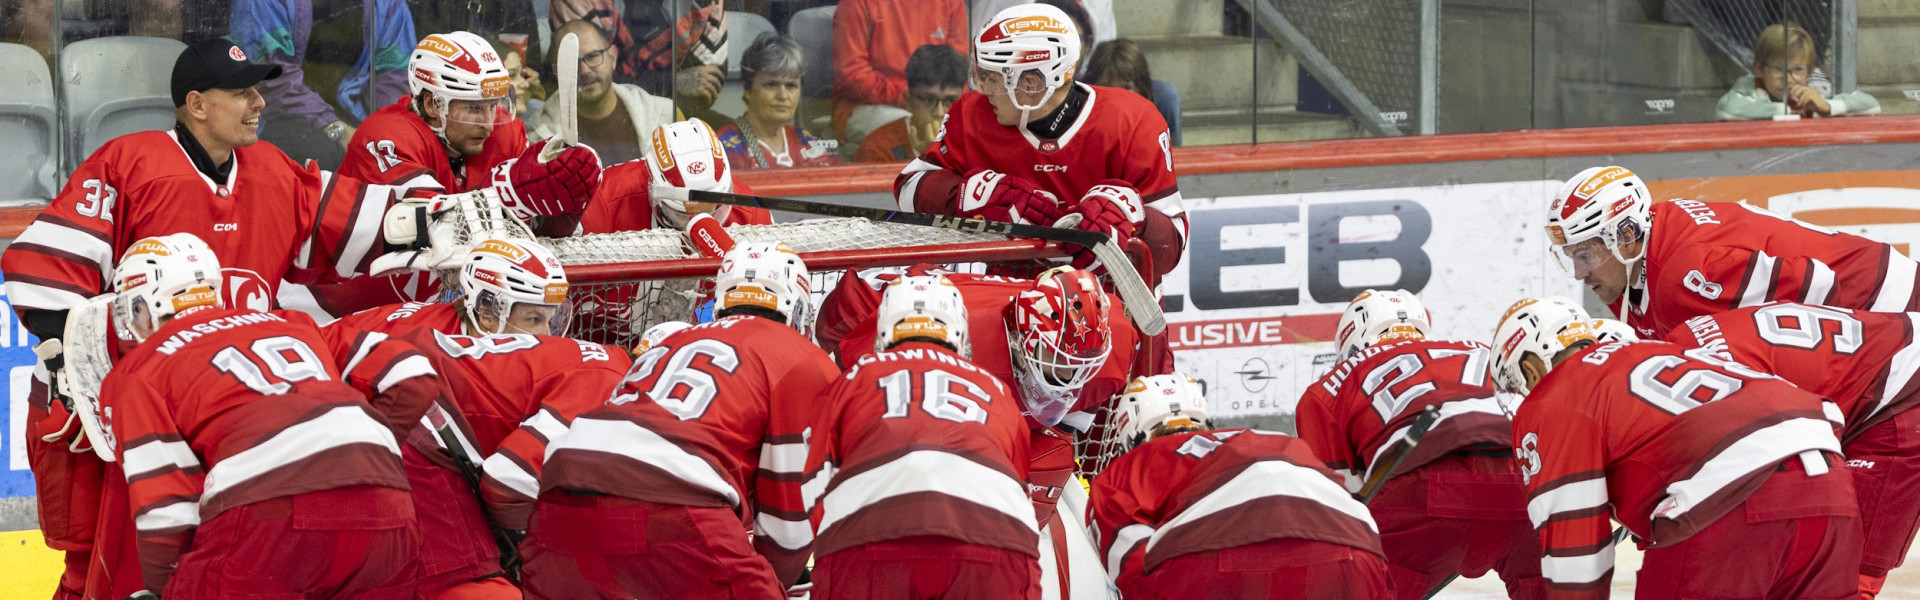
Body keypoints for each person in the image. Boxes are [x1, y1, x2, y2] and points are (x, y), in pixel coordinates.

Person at [0, 39, 427, 599]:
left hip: (224, 414)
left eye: (257, 91)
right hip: (129, 405)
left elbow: (373, 226)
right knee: (96, 567)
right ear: (197, 105)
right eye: (242, 92)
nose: (259, 103)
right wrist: (75, 363)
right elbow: (45, 267)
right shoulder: (132, 164)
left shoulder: (272, 169)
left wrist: (452, 218)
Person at [102, 234, 427, 597]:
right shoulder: (293, 322)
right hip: (388, 504)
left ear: (144, 304)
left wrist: (166, 589)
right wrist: (356, 456)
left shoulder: (139, 369)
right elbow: (413, 374)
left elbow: (167, 515)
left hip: (269, 515)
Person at [517, 241, 841, 598]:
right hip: (672, 506)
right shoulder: (804, 360)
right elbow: (788, 527)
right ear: (798, 308)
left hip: (559, 502)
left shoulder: (667, 342)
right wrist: (775, 582)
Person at [1492, 296, 1861, 598]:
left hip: (1729, 500)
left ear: (1531, 367)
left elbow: (1575, 556)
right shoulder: (1661, 349)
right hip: (1832, 488)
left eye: (1515, 382)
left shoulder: (1555, 395)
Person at [815, 264, 1134, 598]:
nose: (1067, 383)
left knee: (1049, 461)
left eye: (1076, 371)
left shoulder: (1106, 348)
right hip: (865, 306)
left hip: (887, 549)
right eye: (1056, 365)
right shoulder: (988, 379)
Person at [306, 30, 600, 319]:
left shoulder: (501, 130)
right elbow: (432, 232)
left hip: (441, 314)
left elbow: (525, 236)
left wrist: (557, 206)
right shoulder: (385, 137)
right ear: (433, 104)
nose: (488, 123)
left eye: (493, 105)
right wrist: (512, 193)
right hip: (335, 312)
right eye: (473, 108)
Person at [896, 3, 1186, 277]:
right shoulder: (970, 114)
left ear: (1031, 82)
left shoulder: (1133, 121)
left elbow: (1170, 251)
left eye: (992, 77)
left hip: (1105, 302)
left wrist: (1134, 216)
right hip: (1001, 298)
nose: (983, 88)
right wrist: (974, 195)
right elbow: (908, 189)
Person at [802, 274, 1041, 598]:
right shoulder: (997, 389)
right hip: (997, 550)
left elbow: (814, 484)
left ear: (885, 328)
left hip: (872, 549)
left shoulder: (852, 378)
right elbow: (1020, 487)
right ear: (958, 329)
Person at [1294, 290, 1544, 600]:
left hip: (1426, 495)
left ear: (1352, 343)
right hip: (1527, 485)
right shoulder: (1481, 349)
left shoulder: (1331, 384)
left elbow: (1336, 508)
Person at [1665, 303, 1920, 598]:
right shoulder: (1676, 344)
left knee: (1842, 573)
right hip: (1879, 362)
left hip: (1902, 394)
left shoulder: (1714, 403)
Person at [1090, 373, 1393, 599]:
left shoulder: (1128, 469)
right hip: (1352, 549)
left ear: (1129, 435)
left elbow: (1135, 572)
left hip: (1216, 563)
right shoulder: (1270, 439)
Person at [1545, 165, 1920, 339]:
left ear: (1626, 235)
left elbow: (1819, 284)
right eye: (1571, 256)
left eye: (1585, 256)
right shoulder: (1631, 267)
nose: (1579, 274)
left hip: (1892, 302)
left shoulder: (1685, 273)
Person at [230, 0, 417, 169]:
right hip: (279, 117)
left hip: (354, 116)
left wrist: (385, 132)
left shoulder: (388, 5)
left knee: (400, 155)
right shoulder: (263, 3)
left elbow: (395, 77)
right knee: (323, 157)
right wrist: (338, 130)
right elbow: (272, 79)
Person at [330, 237, 577, 338]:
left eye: (550, 320)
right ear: (487, 313)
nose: (547, 336)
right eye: (534, 320)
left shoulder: (467, 334)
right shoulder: (421, 347)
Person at [580, 118, 771, 234]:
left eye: (710, 212)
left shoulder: (753, 217)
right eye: (682, 215)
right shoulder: (605, 199)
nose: (697, 226)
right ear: (652, 187)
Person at [529, 19, 675, 169]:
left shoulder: (665, 116)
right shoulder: (540, 142)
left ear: (612, 57)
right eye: (572, 62)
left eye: (593, 56)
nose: (585, 70)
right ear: (557, 72)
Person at [830, 0, 968, 144]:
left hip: (934, 104)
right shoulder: (857, 3)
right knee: (916, 130)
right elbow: (851, 75)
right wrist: (915, 97)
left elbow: (960, 75)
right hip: (867, 106)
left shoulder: (952, 3)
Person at [717, 35, 841, 169]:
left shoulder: (804, 139)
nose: (783, 96)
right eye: (771, 84)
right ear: (748, 90)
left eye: (791, 85)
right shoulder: (728, 146)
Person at [1716, 22, 1878, 120]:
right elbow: (1727, 110)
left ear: (1810, 72)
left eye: (1798, 69)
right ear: (1759, 69)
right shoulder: (1749, 88)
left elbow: (1872, 106)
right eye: (1778, 69)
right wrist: (1786, 110)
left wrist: (1826, 106)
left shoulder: (1811, 92)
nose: (1789, 79)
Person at [852, 44, 967, 164]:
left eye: (950, 101)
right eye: (927, 99)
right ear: (908, 101)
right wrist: (930, 157)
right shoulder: (877, 148)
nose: (939, 112)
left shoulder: (969, 139)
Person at [1083, 38, 1181, 147]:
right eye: (1106, 88)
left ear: (1142, 89)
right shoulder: (1080, 109)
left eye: (1126, 88)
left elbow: (1174, 153)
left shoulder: (1163, 101)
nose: (1116, 99)